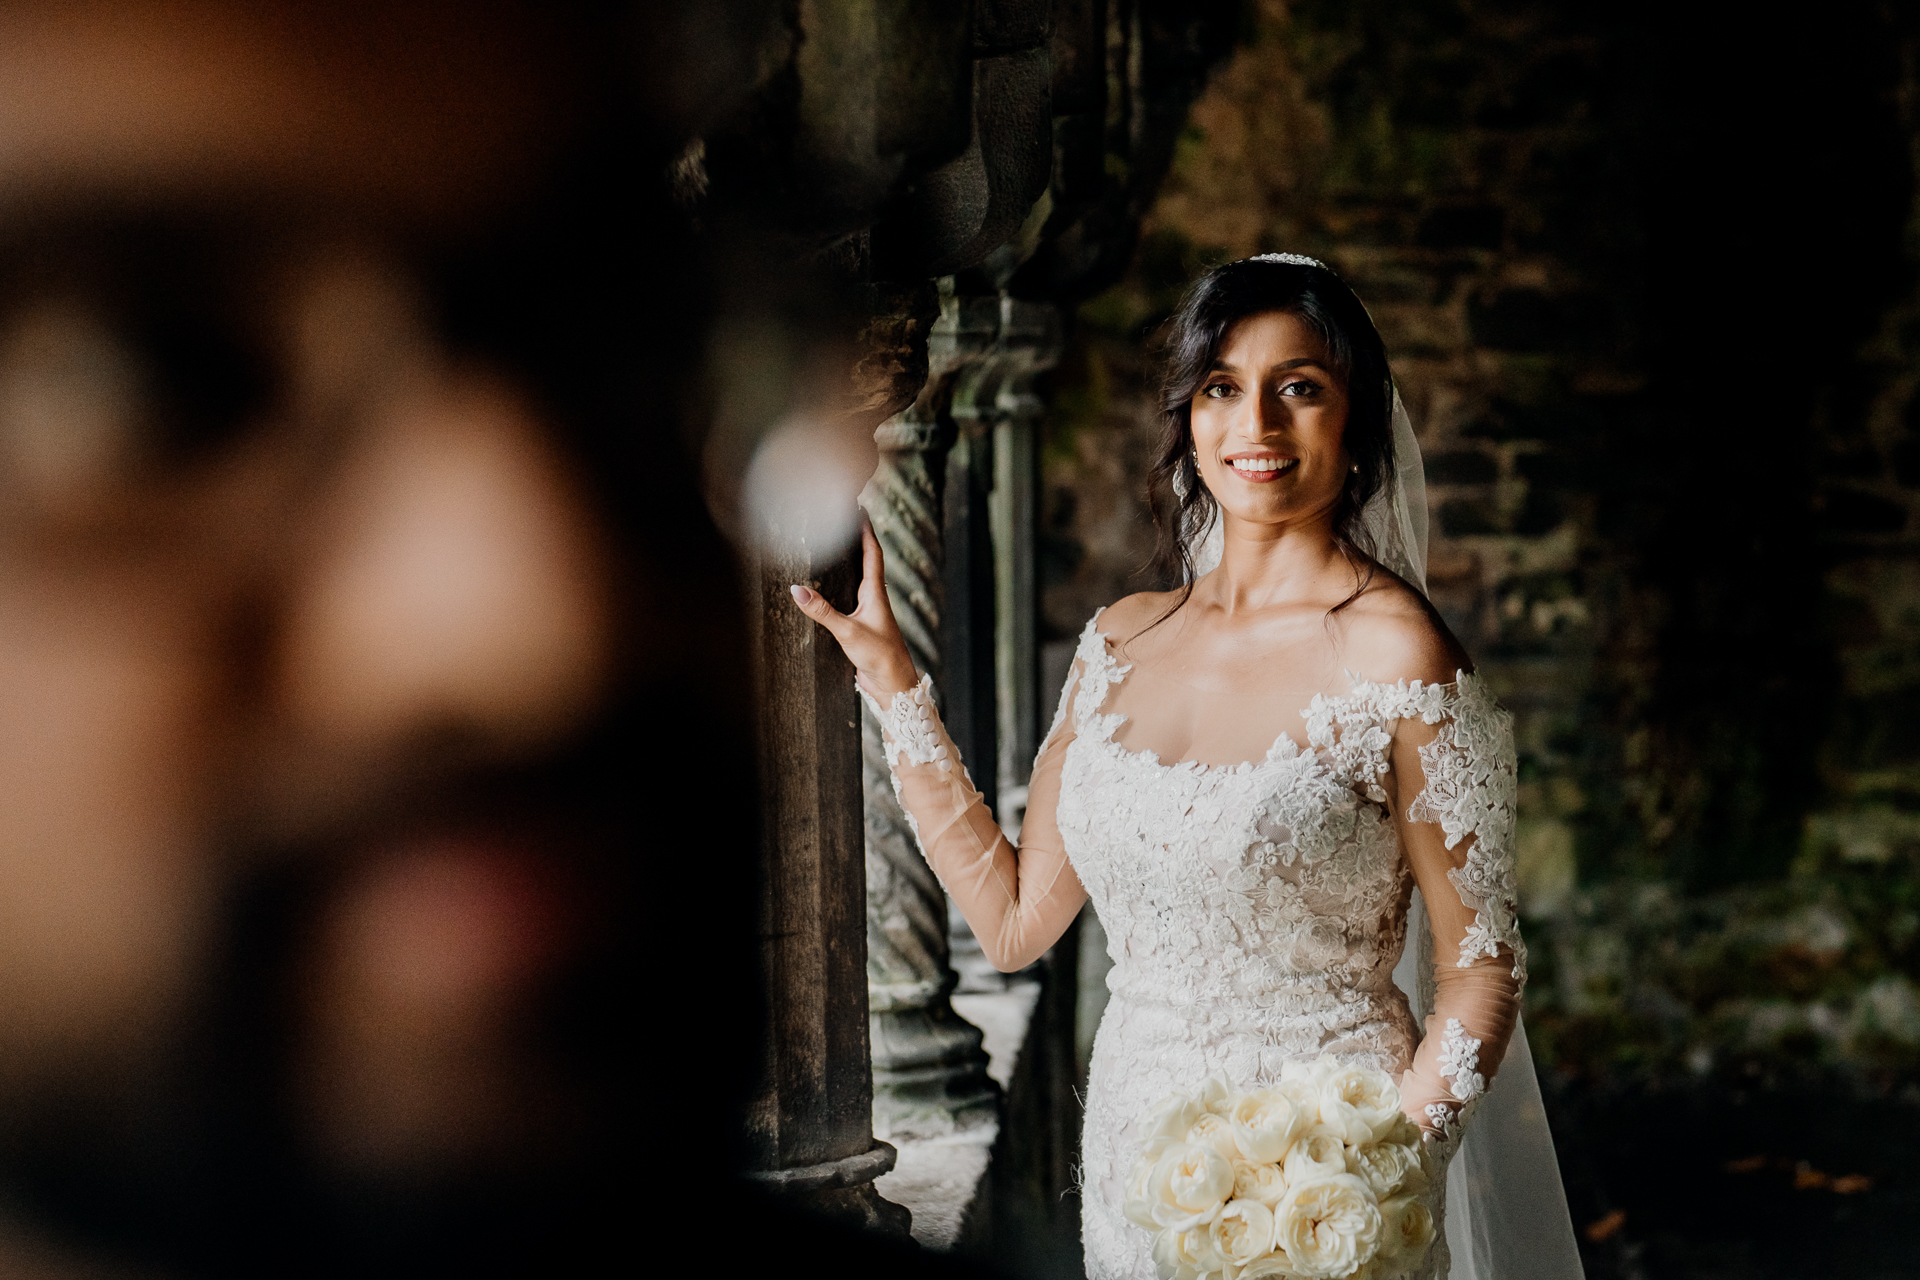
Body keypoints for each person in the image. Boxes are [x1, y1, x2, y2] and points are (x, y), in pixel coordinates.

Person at [793, 254, 1583, 1278]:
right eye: (1222, 386)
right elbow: (1015, 921)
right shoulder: (1120, 642)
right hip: (1135, 1157)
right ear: (1190, 418)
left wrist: (1380, 1167)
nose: (1256, 422)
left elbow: (1480, 969)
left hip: (1326, 1180)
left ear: (1355, 423)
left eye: (1299, 386)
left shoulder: (1403, 655)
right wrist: (897, 686)